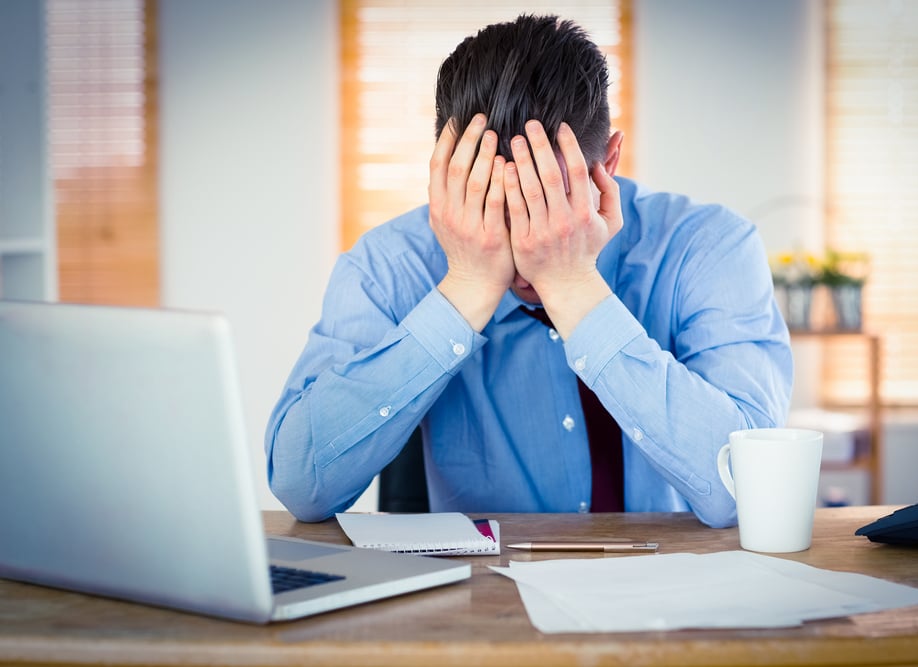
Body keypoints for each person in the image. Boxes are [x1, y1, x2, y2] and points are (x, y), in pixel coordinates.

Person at [265, 14, 792, 528]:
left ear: (607, 165)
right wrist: (466, 288)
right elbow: (301, 485)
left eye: (547, 204)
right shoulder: (389, 264)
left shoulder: (709, 246)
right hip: (482, 585)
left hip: (676, 581)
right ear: (447, 175)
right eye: (492, 206)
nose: (524, 245)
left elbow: (747, 492)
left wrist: (573, 287)